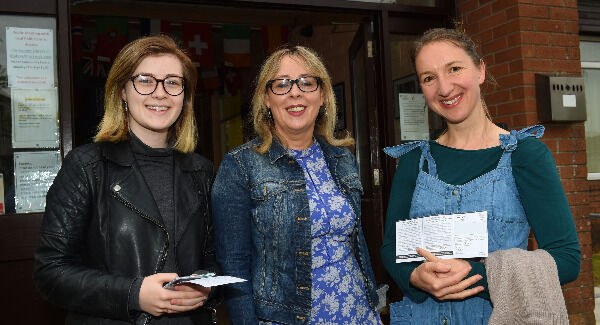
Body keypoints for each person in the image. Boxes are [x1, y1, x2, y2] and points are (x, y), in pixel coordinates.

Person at [380, 27, 581, 324]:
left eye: (454, 69)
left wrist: (480, 275)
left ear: (480, 70)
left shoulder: (525, 156)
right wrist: (414, 275)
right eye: (429, 78)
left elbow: (566, 259)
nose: (444, 88)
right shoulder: (414, 162)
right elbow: (392, 249)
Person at [34, 35, 219, 325]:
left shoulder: (202, 171)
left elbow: (212, 259)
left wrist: (203, 284)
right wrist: (133, 294)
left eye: (172, 82)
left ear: (185, 95)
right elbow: (50, 272)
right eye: (145, 80)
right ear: (122, 90)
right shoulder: (86, 167)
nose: (160, 93)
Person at [212, 45, 381, 324]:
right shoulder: (240, 166)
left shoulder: (342, 159)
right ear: (266, 99)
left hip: (358, 313)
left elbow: (356, 245)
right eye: (281, 84)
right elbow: (233, 266)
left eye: (307, 82)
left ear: (323, 94)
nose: (295, 92)